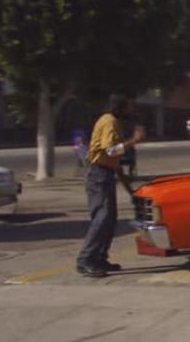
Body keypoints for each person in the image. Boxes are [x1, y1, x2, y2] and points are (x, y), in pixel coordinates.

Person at [76, 93, 146, 278]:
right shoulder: (109, 121)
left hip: (105, 173)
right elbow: (110, 150)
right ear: (120, 107)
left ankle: (99, 258)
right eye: (129, 107)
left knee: (109, 219)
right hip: (98, 174)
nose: (132, 111)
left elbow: (113, 160)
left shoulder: (113, 122)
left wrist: (128, 188)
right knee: (102, 218)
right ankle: (86, 260)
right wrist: (134, 141)